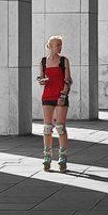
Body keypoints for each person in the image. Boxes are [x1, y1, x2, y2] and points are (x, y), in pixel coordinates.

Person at [37, 35, 71, 172]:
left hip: (60, 96)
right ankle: (47, 155)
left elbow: (68, 80)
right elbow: (41, 77)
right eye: (57, 45)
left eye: (61, 45)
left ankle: (62, 156)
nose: (60, 47)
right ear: (50, 46)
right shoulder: (43, 61)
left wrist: (64, 94)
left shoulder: (64, 61)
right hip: (47, 95)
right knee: (47, 128)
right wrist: (41, 80)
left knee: (60, 127)